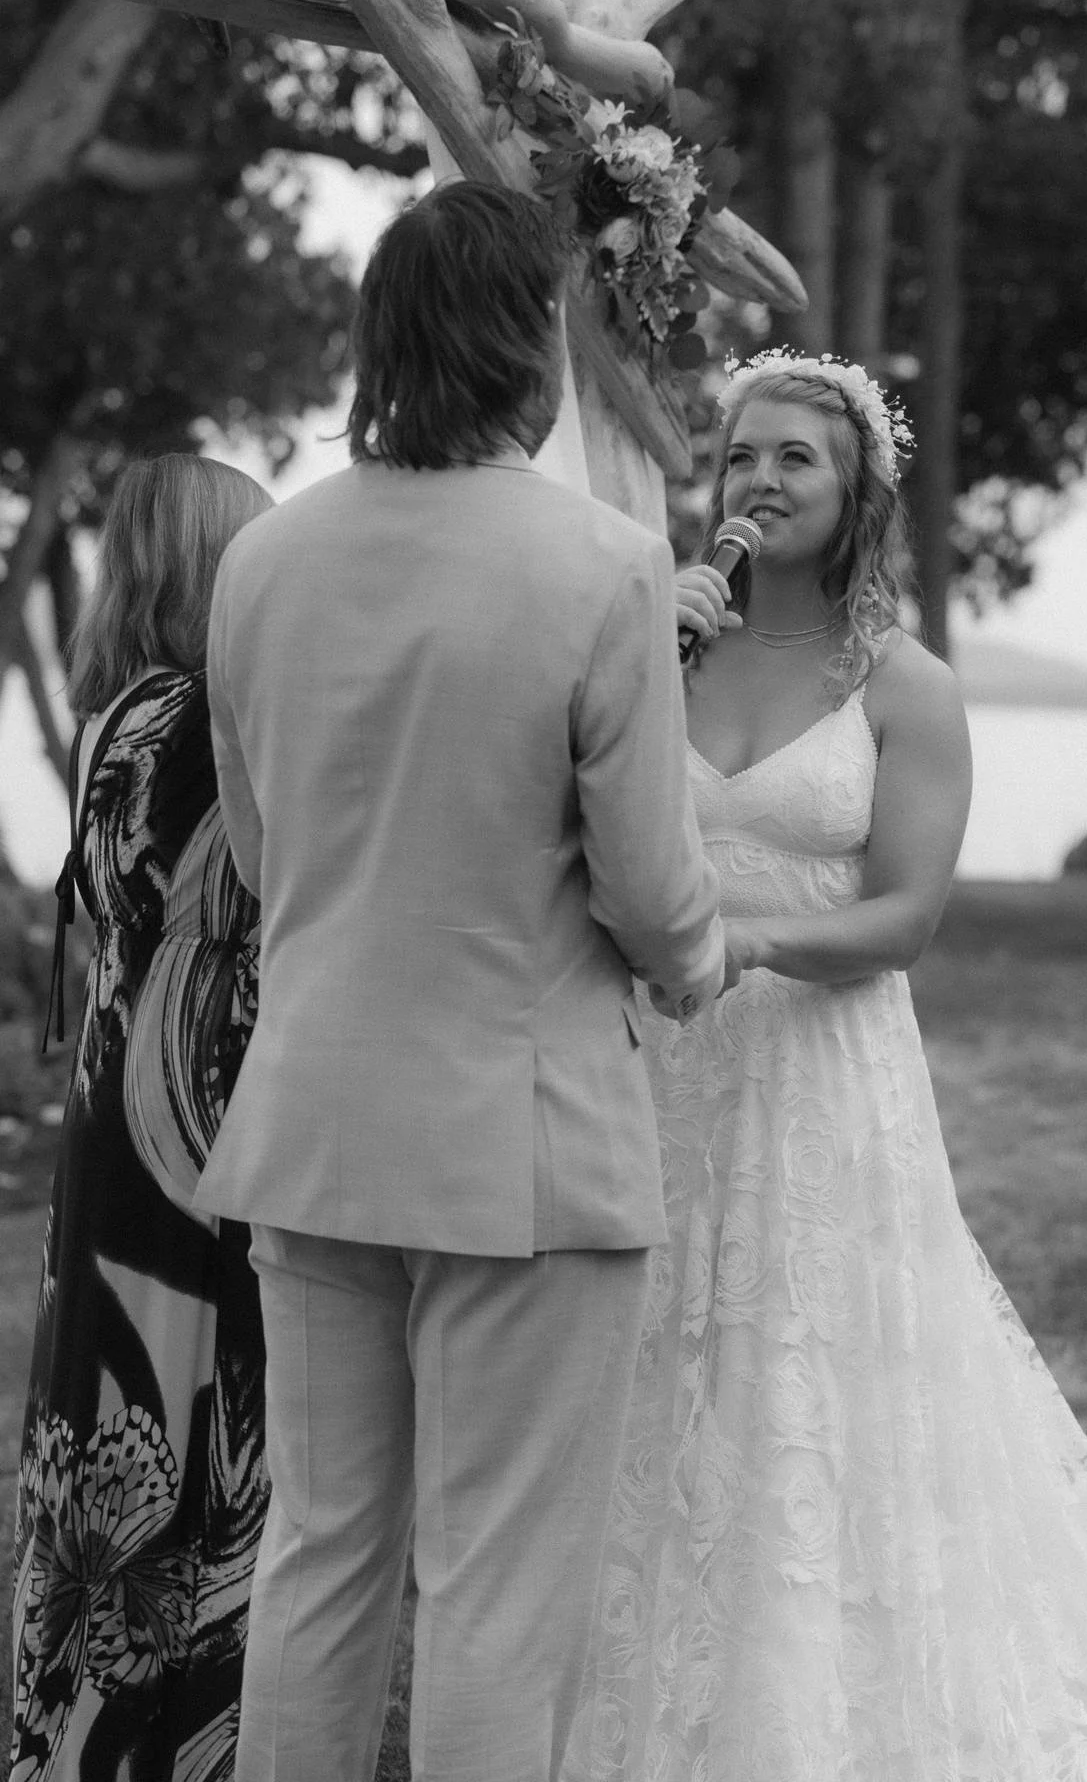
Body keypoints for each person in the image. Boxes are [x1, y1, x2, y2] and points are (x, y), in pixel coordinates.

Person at [566, 350, 1087, 1781]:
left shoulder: (905, 683)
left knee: (807, 1374)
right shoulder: (653, 643)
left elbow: (903, 916)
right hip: (655, 1077)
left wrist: (730, 943)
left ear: (858, 492)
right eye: (742, 455)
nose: (758, 479)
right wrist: (651, 650)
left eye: (794, 461)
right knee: (655, 1372)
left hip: (817, 1072)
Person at [193, 177, 726, 1782]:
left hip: (314, 1120)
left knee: (320, 1555)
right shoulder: (604, 566)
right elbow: (647, 887)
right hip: (522, 1140)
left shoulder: (265, 564)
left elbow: (260, 840)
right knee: (500, 1589)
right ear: (531, 345)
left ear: (383, 340)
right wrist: (696, 964)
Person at [10, 453, 271, 1782]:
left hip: (117, 1129)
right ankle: (166, 1748)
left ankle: (65, 1745)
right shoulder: (196, 726)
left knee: (115, 1412)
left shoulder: (122, 712)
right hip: (188, 1139)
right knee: (179, 1437)